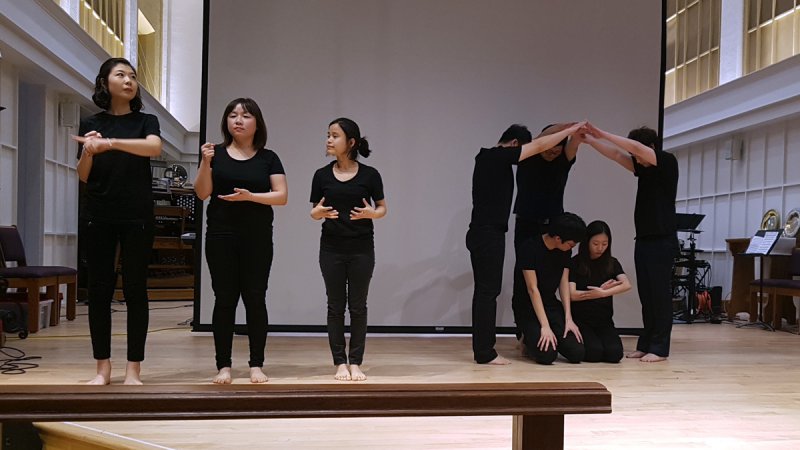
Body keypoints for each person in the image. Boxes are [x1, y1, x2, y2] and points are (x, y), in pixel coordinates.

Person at [74, 57, 162, 385]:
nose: (129, 81)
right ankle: (102, 368)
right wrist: (89, 150)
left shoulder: (146, 121)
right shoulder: (90, 123)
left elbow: (154, 147)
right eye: (121, 75)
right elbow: (84, 176)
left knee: (136, 288)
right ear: (104, 82)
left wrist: (109, 143)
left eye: (133, 76)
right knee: (99, 290)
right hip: (98, 213)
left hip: (137, 214)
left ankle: (133, 369)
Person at [468, 122, 585, 365]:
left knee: (489, 291)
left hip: (492, 231)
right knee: (489, 292)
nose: (548, 151)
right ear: (514, 144)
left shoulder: (490, 158)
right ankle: (486, 351)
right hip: (491, 232)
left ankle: (486, 350)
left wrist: (574, 134)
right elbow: (539, 143)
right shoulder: (495, 156)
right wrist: (570, 128)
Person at [194, 98, 287, 383]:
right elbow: (202, 193)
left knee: (255, 298)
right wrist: (205, 162)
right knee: (224, 299)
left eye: (245, 116)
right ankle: (223, 365)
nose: (238, 120)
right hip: (221, 235)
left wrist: (250, 197)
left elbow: (281, 196)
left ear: (257, 123)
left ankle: (256, 364)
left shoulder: (268, 157)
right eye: (232, 115)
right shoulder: (215, 153)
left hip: (257, 237)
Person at [583, 124, 678, 362]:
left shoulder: (666, 162)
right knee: (647, 296)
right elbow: (617, 155)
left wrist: (601, 132)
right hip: (644, 240)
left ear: (651, 148)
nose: (635, 159)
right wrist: (590, 141)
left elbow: (634, 148)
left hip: (662, 241)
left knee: (659, 295)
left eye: (638, 154)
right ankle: (646, 344)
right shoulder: (642, 169)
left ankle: (660, 348)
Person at [310, 117, 386, 382]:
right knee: (335, 307)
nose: (329, 140)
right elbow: (314, 211)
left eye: (335, 136)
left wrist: (372, 213)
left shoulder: (370, 175)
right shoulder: (321, 175)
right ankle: (339, 362)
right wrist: (317, 213)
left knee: (358, 307)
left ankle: (356, 362)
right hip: (331, 248)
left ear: (351, 142)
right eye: (328, 135)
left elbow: (382, 208)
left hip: (362, 248)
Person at [510, 123, 584, 342]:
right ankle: (523, 330)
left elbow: (573, 145)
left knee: (551, 272)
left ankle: (549, 321)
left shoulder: (563, 161)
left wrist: (577, 133)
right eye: (550, 147)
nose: (553, 151)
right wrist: (569, 126)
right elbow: (541, 138)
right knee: (523, 276)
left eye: (558, 148)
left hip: (554, 225)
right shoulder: (528, 156)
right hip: (526, 224)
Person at [513, 212, 586, 365]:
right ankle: (526, 337)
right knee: (547, 355)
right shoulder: (529, 247)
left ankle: (547, 334)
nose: (571, 248)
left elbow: (563, 282)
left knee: (577, 352)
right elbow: (532, 289)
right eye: (571, 244)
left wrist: (568, 318)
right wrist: (545, 326)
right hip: (527, 306)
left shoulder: (564, 251)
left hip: (550, 304)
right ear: (558, 238)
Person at [569, 220, 631, 363]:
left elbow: (626, 285)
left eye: (605, 244)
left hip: (604, 321)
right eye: (595, 243)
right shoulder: (575, 262)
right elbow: (572, 295)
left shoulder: (612, 262)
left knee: (615, 354)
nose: (600, 248)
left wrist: (603, 293)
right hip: (581, 320)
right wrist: (595, 294)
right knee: (594, 353)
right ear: (587, 242)